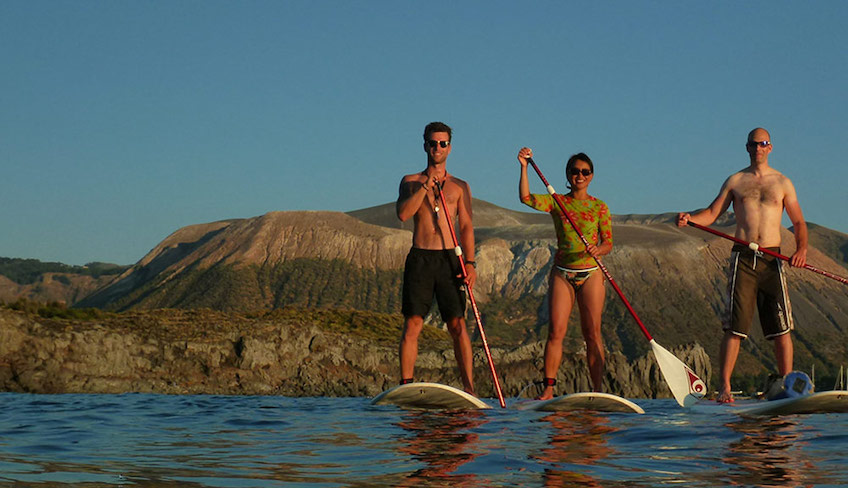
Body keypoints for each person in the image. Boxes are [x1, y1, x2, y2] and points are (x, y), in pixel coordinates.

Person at [677, 127, 808, 403]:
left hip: (773, 258)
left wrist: (802, 249)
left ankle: (786, 385)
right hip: (744, 258)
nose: (758, 148)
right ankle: (725, 387)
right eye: (753, 144)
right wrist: (691, 219)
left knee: (781, 327)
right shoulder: (735, 181)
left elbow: (797, 222)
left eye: (763, 143)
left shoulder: (783, 183)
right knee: (734, 327)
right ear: (747, 148)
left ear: (770, 147)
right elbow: (712, 213)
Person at [517, 147, 613, 400]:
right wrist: (524, 167)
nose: (579, 175)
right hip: (562, 273)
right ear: (568, 175)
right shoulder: (557, 201)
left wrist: (598, 249)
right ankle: (548, 389)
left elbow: (608, 243)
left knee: (592, 334)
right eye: (574, 171)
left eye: (584, 172)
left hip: (590, 273)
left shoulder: (599, 207)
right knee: (555, 332)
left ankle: (598, 391)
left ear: (591, 176)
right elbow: (525, 198)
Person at [396, 121, 477, 393]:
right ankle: (406, 385)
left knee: (457, 324)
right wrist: (424, 187)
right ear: (425, 146)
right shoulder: (410, 182)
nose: (437, 148)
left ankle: (469, 388)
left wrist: (470, 262)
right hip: (421, 257)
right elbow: (403, 214)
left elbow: (465, 226)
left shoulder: (460, 186)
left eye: (442, 143)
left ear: (449, 148)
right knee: (413, 322)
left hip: (449, 259)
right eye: (433, 143)